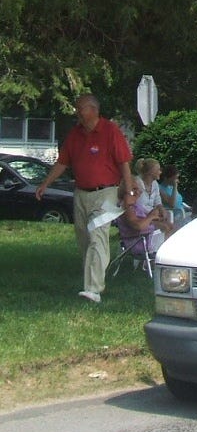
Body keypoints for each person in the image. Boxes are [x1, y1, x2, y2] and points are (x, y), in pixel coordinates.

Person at [35, 93, 133, 303]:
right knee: (85, 239)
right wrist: (45, 184)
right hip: (81, 193)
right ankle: (91, 279)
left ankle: (93, 289)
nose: (78, 112)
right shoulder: (75, 134)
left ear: (94, 110)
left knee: (98, 236)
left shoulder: (110, 131)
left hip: (105, 193)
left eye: (81, 108)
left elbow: (124, 163)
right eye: (77, 108)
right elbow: (63, 162)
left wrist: (130, 193)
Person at [116, 179, 173, 254]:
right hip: (140, 242)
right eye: (133, 189)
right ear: (125, 191)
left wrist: (155, 217)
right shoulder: (127, 207)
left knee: (170, 227)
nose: (137, 192)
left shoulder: (134, 205)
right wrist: (151, 216)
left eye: (138, 189)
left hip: (144, 237)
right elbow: (138, 226)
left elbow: (143, 221)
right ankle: (167, 259)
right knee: (173, 234)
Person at [159, 164, 190, 228]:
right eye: (175, 178)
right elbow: (172, 204)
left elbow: (179, 202)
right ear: (166, 178)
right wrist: (175, 186)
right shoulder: (160, 189)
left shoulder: (171, 187)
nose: (177, 180)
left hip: (181, 213)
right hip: (172, 216)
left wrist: (188, 208)